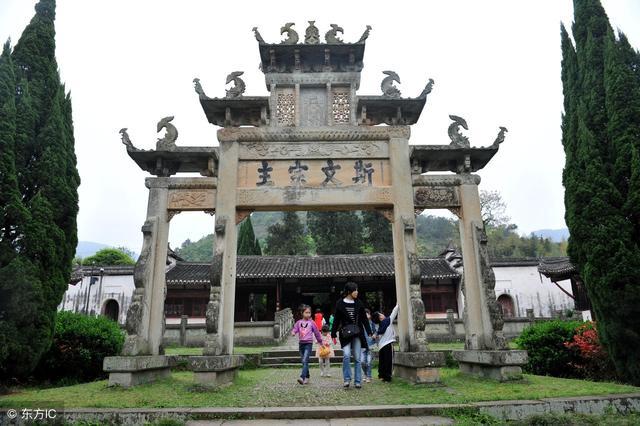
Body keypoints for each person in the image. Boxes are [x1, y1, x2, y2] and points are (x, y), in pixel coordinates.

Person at [330, 282, 373, 389]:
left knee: (358, 358)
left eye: (357, 290)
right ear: (349, 291)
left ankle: (358, 381)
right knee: (346, 355)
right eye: (355, 290)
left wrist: (369, 332)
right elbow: (336, 319)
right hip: (345, 334)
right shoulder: (340, 303)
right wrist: (333, 332)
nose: (357, 292)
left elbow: (364, 319)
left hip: (358, 333)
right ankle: (347, 379)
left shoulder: (359, 303)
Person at [291, 304, 323, 384]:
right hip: (301, 344)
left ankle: (302, 377)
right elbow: (295, 329)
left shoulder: (312, 323)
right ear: (302, 313)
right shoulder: (299, 322)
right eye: (306, 312)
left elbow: (317, 333)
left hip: (308, 344)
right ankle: (307, 376)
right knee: (304, 361)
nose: (308, 314)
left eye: (309, 312)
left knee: (305, 360)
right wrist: (293, 332)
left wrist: (320, 342)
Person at [372, 304, 399, 382]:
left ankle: (382, 376)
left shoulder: (379, 326)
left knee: (382, 362)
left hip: (381, 346)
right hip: (388, 344)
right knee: (389, 361)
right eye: (380, 314)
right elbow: (394, 312)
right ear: (380, 317)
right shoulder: (388, 321)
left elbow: (378, 336)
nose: (382, 314)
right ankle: (388, 377)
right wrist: (397, 304)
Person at [361, 308, 377, 383]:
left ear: (369, 315)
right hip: (362, 346)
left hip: (371, 345)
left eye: (367, 313)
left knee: (369, 362)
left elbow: (376, 331)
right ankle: (365, 374)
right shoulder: (360, 324)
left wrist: (374, 334)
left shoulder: (372, 323)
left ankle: (369, 376)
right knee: (362, 362)